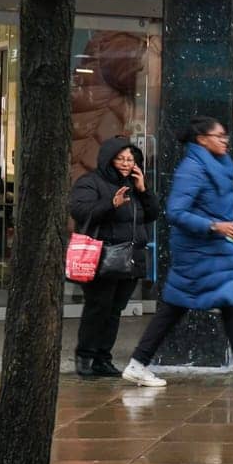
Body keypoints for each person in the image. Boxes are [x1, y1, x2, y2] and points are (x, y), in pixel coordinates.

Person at [121, 117, 233, 389]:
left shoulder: (217, 165)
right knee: (189, 306)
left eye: (224, 135)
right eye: (217, 135)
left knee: (219, 302)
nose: (224, 140)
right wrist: (216, 227)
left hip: (213, 250)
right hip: (198, 252)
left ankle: (139, 364)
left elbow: (216, 208)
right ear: (201, 139)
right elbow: (176, 212)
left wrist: (230, 230)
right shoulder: (193, 168)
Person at [69, 137, 159, 378]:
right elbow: (79, 210)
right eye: (120, 158)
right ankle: (85, 356)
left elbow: (153, 214)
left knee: (115, 310)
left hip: (131, 258)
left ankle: (102, 358)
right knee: (98, 307)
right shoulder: (90, 182)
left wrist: (144, 190)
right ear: (108, 158)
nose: (126, 164)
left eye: (130, 159)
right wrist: (111, 204)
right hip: (104, 256)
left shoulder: (135, 185)